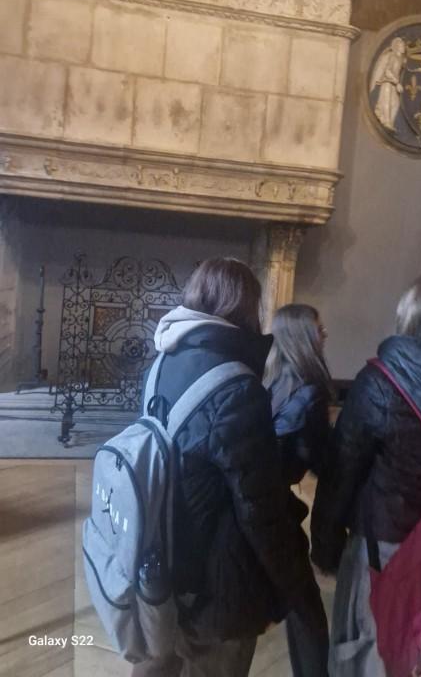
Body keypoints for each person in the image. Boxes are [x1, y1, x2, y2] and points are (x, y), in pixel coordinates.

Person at [133, 258, 319, 677]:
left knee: (158, 663)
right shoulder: (238, 386)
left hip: (158, 554)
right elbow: (259, 507)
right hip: (215, 580)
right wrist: (292, 584)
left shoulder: (161, 363)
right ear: (248, 306)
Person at [311, 268, 421, 677]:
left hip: (385, 552)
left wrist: (325, 549)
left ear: (411, 316)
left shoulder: (381, 382)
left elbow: (341, 474)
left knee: (370, 655)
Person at [265, 303, 332, 677]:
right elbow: (320, 458)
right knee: (306, 607)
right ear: (303, 337)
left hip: (262, 499)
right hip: (272, 509)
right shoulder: (310, 391)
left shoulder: (268, 378)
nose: (325, 334)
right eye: (319, 329)